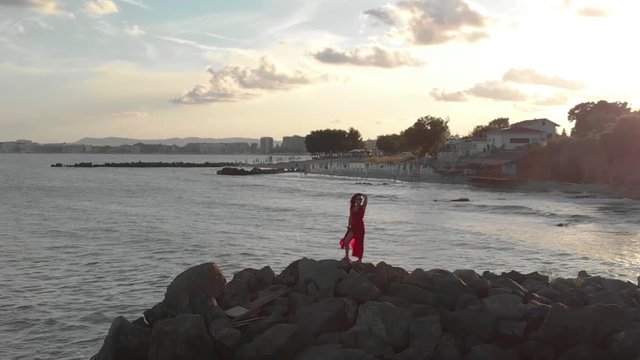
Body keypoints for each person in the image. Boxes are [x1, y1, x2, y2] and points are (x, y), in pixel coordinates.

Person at [339, 193, 367, 262]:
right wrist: (349, 225)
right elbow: (350, 217)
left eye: (360, 199)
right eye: (358, 199)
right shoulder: (352, 207)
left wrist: (362, 195)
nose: (359, 201)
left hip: (360, 227)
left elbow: (366, 198)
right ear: (355, 200)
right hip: (353, 226)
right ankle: (346, 256)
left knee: (359, 243)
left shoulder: (362, 207)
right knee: (346, 241)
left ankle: (359, 259)